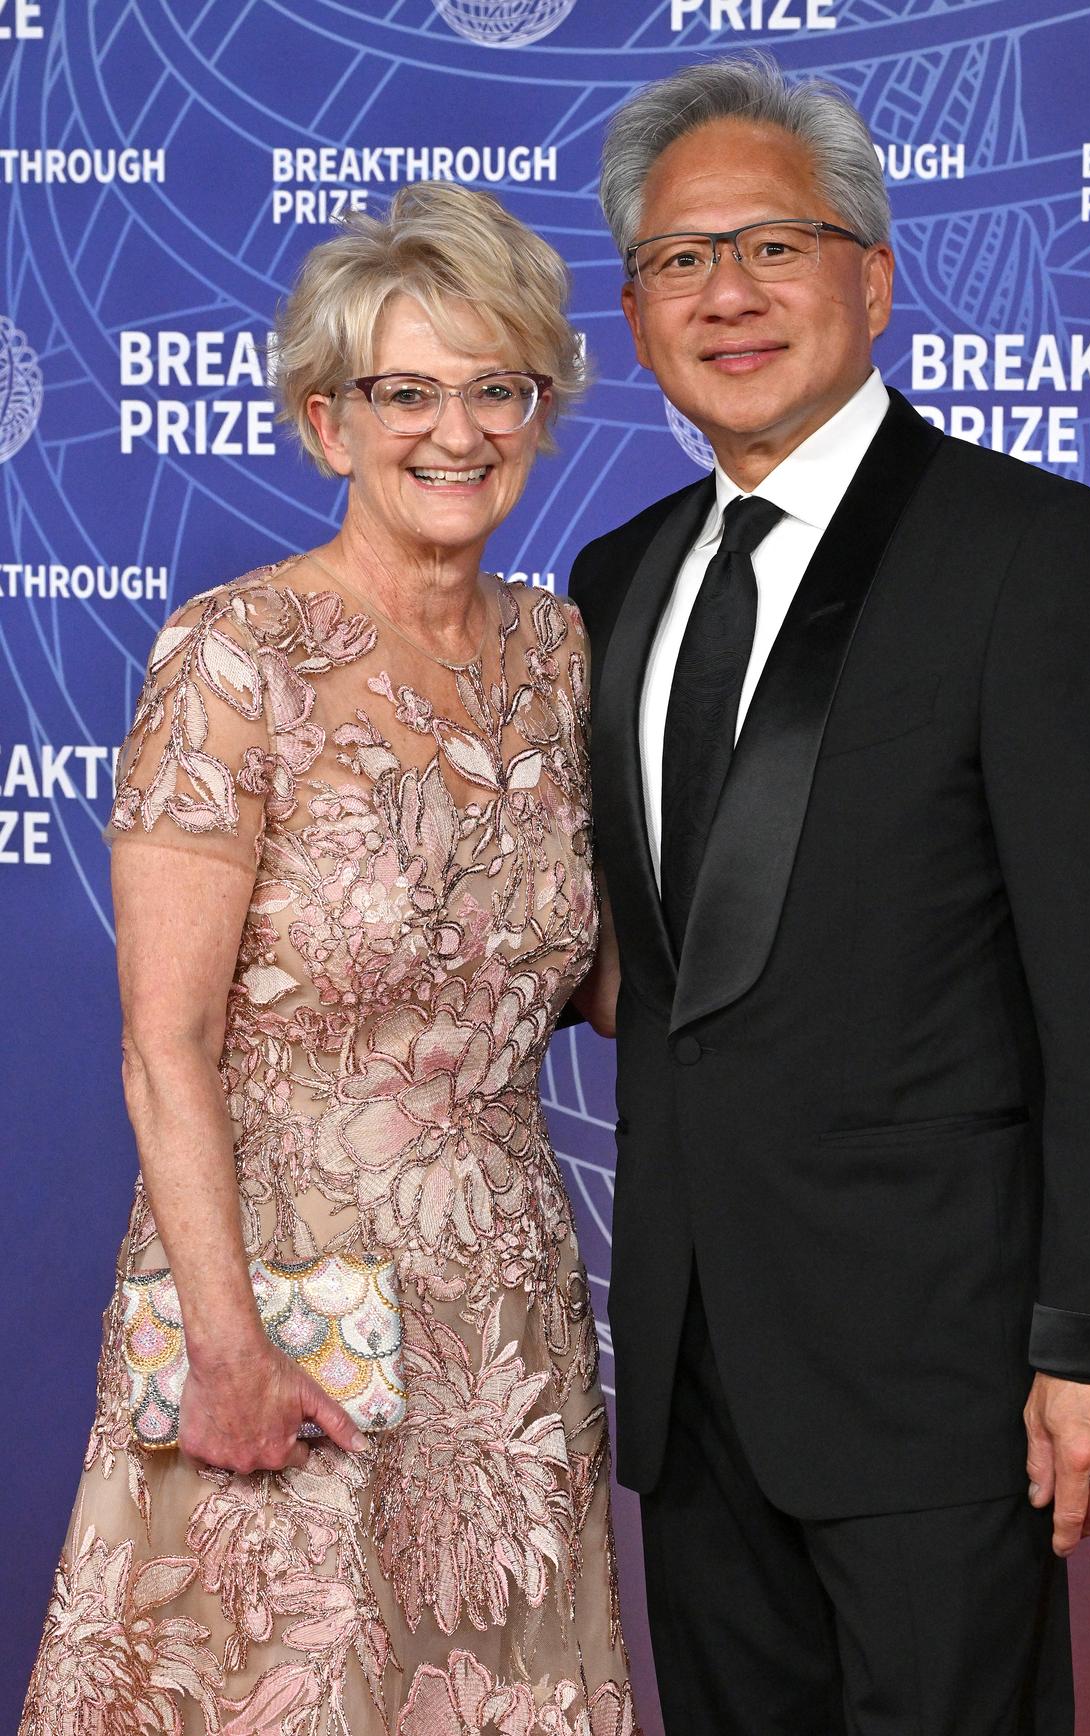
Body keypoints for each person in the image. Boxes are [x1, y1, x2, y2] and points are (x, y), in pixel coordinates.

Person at [569, 53, 1090, 1736]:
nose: (729, 296)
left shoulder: (1030, 553)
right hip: (695, 1366)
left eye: (775, 248)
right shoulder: (615, 579)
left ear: (873, 273)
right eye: (682, 261)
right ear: (635, 312)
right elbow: (665, 961)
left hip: (948, 1373)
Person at [22, 182, 636, 1736]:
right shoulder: (233, 654)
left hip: (503, 1314)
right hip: (284, 1299)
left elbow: (611, 980)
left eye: (497, 388)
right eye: (405, 392)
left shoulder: (566, 656)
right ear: (324, 423)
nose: (456, 430)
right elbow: (163, 1046)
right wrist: (226, 1346)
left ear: (541, 411)